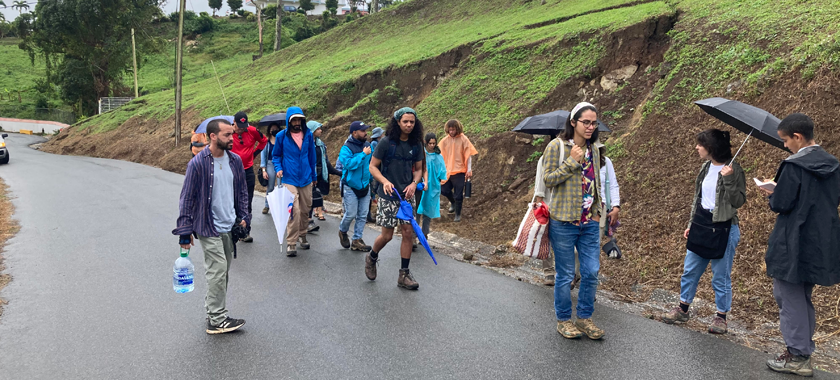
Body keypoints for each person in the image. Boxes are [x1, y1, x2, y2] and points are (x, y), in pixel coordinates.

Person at [763, 114, 840, 376]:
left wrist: (772, 192)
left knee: (788, 296)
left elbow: (782, 204)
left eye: (785, 140)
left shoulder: (794, 166)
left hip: (792, 241)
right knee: (802, 295)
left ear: (797, 137)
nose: (785, 146)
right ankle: (803, 348)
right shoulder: (833, 164)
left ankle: (798, 355)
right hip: (822, 241)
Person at [660, 129, 746, 335]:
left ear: (711, 148)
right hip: (701, 224)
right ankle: (682, 308)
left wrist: (729, 179)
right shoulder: (705, 167)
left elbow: (738, 201)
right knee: (690, 270)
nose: (697, 148)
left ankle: (721, 317)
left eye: (700, 145)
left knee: (720, 276)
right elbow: (697, 199)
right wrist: (691, 223)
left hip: (724, 228)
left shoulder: (734, 170)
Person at [173, 119, 249, 334]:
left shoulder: (235, 160)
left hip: (229, 225)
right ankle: (217, 319)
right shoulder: (198, 164)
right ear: (213, 136)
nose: (232, 138)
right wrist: (184, 232)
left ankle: (213, 311)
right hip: (208, 226)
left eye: (232, 134)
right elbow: (187, 199)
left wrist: (245, 216)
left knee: (223, 272)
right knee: (217, 271)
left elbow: (242, 192)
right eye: (227, 135)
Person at [543, 102, 604, 340]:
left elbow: (596, 182)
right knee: (566, 274)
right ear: (573, 123)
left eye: (593, 123)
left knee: (591, 272)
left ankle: (585, 318)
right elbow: (548, 179)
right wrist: (571, 162)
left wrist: (598, 210)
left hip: (589, 222)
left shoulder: (595, 149)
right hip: (564, 221)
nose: (590, 127)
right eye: (585, 122)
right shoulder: (556, 147)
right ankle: (564, 320)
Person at [366, 107, 424, 290]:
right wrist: (384, 181)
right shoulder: (386, 142)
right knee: (387, 235)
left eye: (412, 122)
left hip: (406, 196)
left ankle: (404, 274)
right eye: (405, 121)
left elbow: (420, 169)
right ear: (398, 122)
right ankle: (372, 256)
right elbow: (373, 167)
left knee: (408, 232)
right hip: (388, 195)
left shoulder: (416, 144)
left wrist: (414, 183)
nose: (408, 125)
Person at [272, 107, 317, 257]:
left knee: (305, 209)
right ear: (289, 121)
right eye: (294, 120)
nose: (297, 123)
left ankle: (302, 235)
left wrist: (314, 176)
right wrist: (278, 168)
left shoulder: (308, 135)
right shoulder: (281, 136)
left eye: (299, 120)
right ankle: (291, 242)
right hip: (289, 177)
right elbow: (276, 155)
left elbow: (312, 156)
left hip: (306, 177)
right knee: (294, 210)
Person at [230, 111, 268, 243]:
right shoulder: (228, 133)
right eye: (239, 126)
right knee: (233, 200)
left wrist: (254, 154)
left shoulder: (252, 131)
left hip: (247, 170)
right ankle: (233, 229)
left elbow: (264, 141)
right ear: (234, 122)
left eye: (243, 126)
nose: (241, 129)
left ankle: (245, 231)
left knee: (247, 201)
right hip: (232, 171)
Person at [338, 121, 373, 251]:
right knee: (351, 214)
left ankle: (357, 240)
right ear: (354, 133)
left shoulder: (368, 146)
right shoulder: (346, 148)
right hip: (350, 186)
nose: (366, 133)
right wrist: (363, 154)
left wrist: (371, 179)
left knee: (363, 215)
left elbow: (372, 163)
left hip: (365, 185)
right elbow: (349, 165)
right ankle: (342, 231)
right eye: (363, 131)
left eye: (366, 130)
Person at [439, 119, 477, 222]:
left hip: (459, 170)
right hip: (447, 171)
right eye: (450, 130)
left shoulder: (464, 139)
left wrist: (469, 169)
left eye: (453, 129)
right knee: (443, 189)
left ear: (457, 129)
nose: (451, 132)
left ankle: (458, 214)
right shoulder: (444, 141)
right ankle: (453, 202)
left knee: (458, 194)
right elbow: (438, 155)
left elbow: (468, 155)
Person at [309, 120, 342, 225]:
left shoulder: (321, 144)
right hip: (310, 171)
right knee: (310, 193)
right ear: (312, 130)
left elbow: (325, 160)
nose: (320, 131)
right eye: (318, 129)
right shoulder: (306, 143)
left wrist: (337, 172)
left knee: (319, 191)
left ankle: (319, 211)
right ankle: (310, 215)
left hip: (320, 170)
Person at [417, 133, 448, 238]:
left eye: (434, 143)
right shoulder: (421, 154)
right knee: (417, 208)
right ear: (425, 142)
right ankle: (414, 233)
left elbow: (442, 171)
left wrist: (438, 180)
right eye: (430, 143)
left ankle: (424, 233)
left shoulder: (438, 156)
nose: (432, 145)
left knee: (428, 210)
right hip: (420, 185)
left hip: (433, 186)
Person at [260, 123, 282, 214]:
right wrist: (264, 170)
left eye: (276, 129)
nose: (274, 130)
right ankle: (267, 205)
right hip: (270, 164)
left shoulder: (281, 141)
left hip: (280, 165)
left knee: (281, 186)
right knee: (271, 186)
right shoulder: (266, 142)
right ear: (269, 130)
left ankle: (280, 205)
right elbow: (263, 156)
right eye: (272, 129)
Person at [367, 127, 384, 223]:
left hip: (376, 169)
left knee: (373, 190)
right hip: (374, 170)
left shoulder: (376, 143)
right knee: (372, 190)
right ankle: (368, 215)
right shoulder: (374, 144)